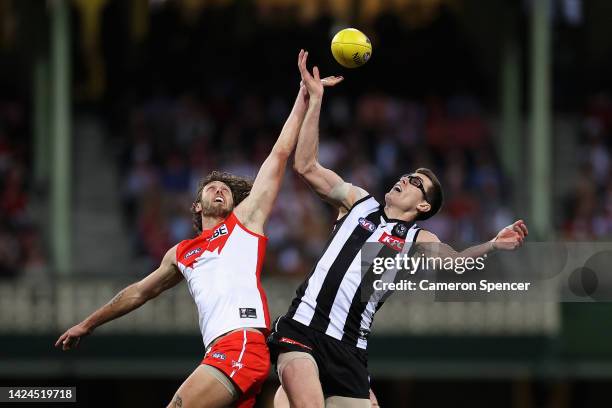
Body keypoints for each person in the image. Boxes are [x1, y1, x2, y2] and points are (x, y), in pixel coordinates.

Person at [54, 50, 343, 408]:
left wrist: (304, 95)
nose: (220, 188)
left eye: (225, 188)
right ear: (196, 205)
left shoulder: (246, 224)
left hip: (241, 343)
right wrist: (89, 323)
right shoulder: (181, 253)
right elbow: (138, 292)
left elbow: (279, 154)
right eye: (211, 187)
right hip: (220, 349)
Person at [267, 51, 529, 407]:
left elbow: (456, 263)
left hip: (349, 350)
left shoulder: (418, 239)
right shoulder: (359, 202)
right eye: (407, 175)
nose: (405, 179)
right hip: (303, 330)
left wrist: (493, 245)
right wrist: (315, 99)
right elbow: (306, 165)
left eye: (416, 183)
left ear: (423, 206)